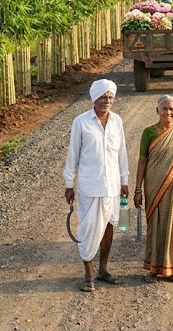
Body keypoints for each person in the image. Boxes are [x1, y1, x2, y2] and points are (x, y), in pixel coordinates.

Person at [64, 79, 129, 293]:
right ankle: (88, 274)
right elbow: (73, 154)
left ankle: (103, 269)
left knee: (109, 226)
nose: (107, 101)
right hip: (89, 186)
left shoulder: (117, 121)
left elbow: (122, 154)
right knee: (89, 228)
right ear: (94, 98)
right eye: (103, 97)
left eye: (110, 97)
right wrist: (68, 183)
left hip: (111, 186)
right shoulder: (81, 122)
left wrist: (125, 181)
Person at [134, 95, 173, 283]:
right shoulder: (148, 133)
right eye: (164, 109)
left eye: (171, 109)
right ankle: (154, 269)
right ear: (157, 111)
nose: (167, 112)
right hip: (153, 185)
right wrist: (137, 189)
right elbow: (142, 161)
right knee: (156, 224)